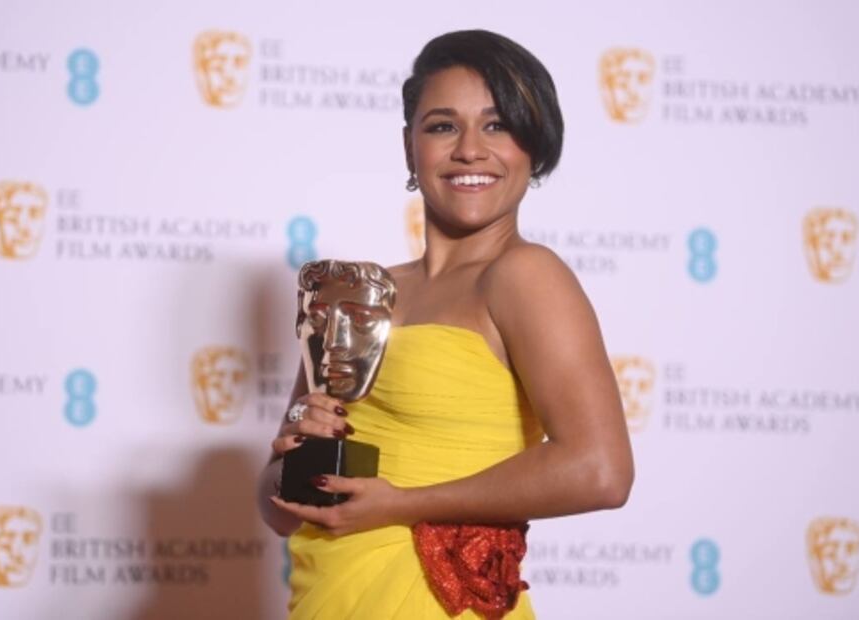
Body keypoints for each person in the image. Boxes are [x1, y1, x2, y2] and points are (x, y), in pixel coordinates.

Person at [258, 29, 633, 619]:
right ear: (410, 147)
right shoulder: (358, 291)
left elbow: (601, 472)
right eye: (442, 126)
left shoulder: (525, 275)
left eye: (497, 125)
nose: (470, 150)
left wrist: (402, 504)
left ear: (534, 146)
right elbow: (278, 512)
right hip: (330, 596)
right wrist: (292, 457)